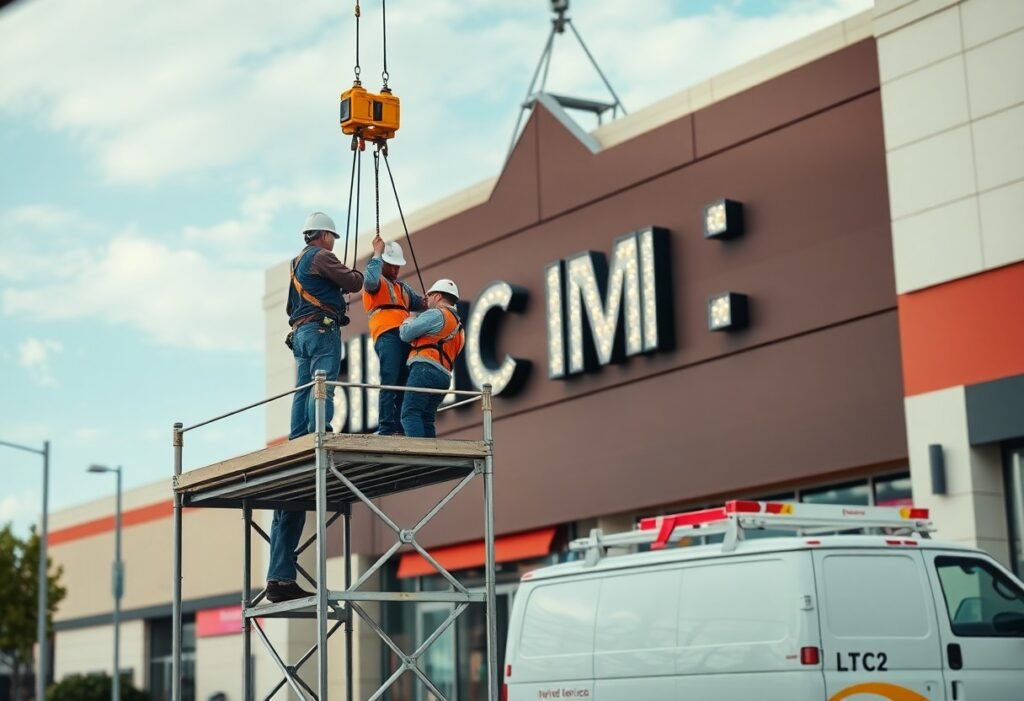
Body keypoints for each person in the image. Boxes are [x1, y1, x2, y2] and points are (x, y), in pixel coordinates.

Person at [268, 211, 363, 603]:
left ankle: (280, 578)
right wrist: (369, 265)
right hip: (321, 330)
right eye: (333, 237)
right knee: (323, 387)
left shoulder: (295, 265)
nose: (335, 244)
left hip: (303, 330)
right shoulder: (320, 257)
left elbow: (294, 303)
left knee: (304, 390)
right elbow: (354, 281)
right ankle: (317, 435)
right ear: (322, 235)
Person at [362, 234, 426, 435]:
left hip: (405, 335)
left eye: (398, 265)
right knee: (390, 380)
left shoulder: (402, 287)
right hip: (387, 335)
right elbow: (369, 282)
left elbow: (421, 303)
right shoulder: (376, 281)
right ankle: (386, 427)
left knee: (402, 382)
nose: (396, 269)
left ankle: (397, 426)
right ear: (382, 263)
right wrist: (377, 253)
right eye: (392, 265)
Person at [398, 279, 464, 438]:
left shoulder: (436, 314)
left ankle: (419, 456)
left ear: (438, 296)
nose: (426, 298)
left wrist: (410, 318)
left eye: (430, 295)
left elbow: (405, 334)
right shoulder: (459, 327)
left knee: (410, 414)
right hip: (444, 377)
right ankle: (431, 458)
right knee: (426, 419)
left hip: (425, 369)